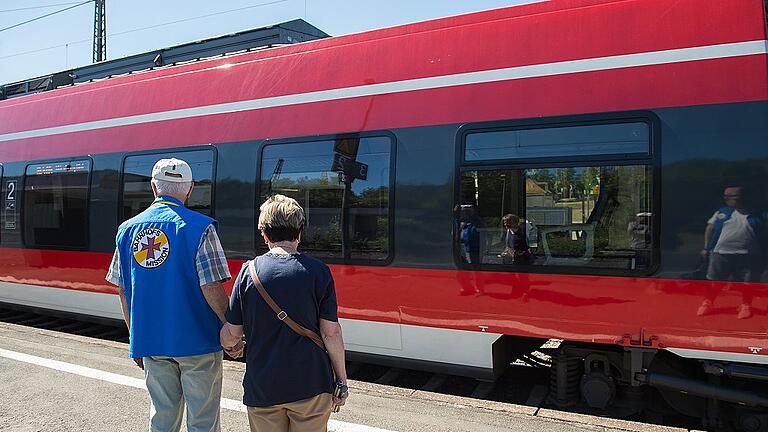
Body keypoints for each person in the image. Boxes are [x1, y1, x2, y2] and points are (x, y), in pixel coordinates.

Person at [106, 158, 235, 432]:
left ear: (154, 188)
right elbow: (211, 286)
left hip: (152, 341)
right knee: (202, 420)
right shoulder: (201, 228)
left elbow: (123, 289)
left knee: (162, 418)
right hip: (198, 342)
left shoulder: (127, 230)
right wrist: (229, 327)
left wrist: (135, 338)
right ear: (188, 189)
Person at [220, 195, 348, 432]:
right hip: (312, 384)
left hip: (264, 387)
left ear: (265, 234)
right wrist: (341, 380)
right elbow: (331, 333)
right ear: (299, 231)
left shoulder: (248, 273)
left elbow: (230, 335)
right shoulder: (319, 272)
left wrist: (231, 345)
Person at [698, 185, 767, 319]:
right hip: (720, 253)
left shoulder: (760, 214)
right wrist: (706, 247)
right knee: (714, 281)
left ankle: (746, 304)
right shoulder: (722, 213)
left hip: (750, 254)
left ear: (743, 197)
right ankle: (708, 302)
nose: (727, 199)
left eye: (731, 196)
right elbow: (710, 228)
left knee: (748, 282)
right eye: (725, 197)